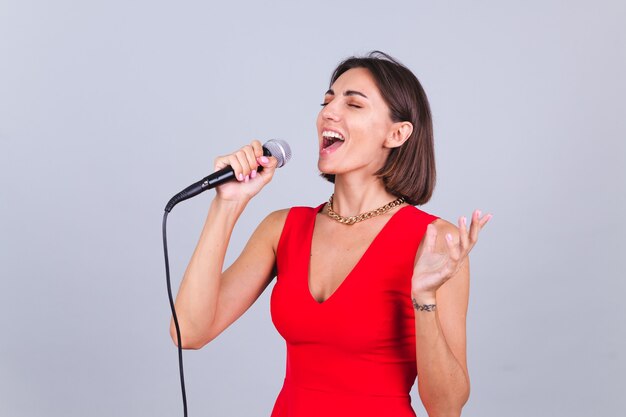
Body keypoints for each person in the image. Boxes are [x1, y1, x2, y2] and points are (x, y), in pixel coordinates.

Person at [170, 51, 492, 417]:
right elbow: (189, 333)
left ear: (397, 133)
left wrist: (425, 298)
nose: (329, 112)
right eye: (327, 101)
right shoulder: (283, 228)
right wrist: (226, 205)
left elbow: (446, 408)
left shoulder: (436, 240)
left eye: (353, 104)